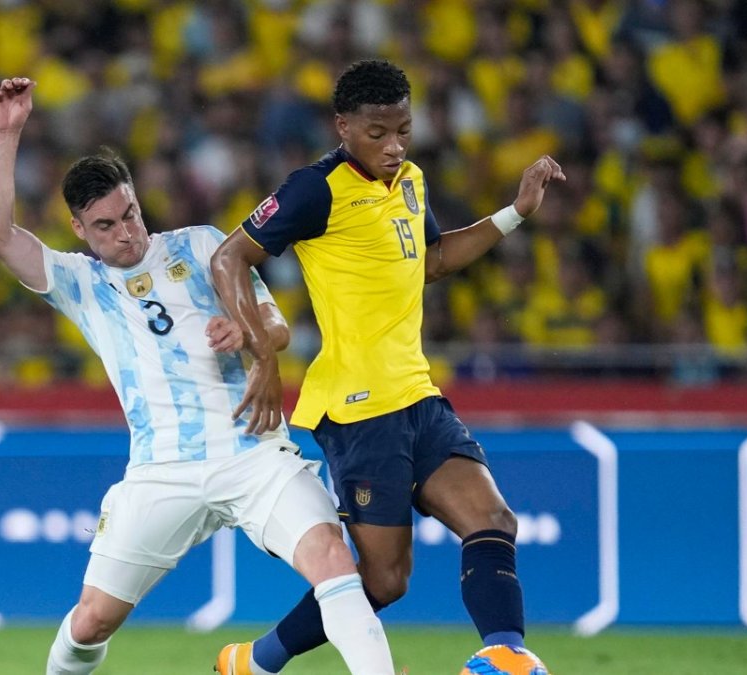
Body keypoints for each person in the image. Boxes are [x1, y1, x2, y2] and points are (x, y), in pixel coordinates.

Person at [0, 77, 396, 675]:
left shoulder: (202, 247)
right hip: (161, 469)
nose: (126, 232)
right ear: (79, 229)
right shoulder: (79, 282)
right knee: (92, 621)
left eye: (130, 214)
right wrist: (6, 132)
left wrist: (246, 331)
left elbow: (277, 326)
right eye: (105, 225)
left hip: (251, 453)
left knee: (332, 557)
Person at [211, 60, 564, 674]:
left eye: (403, 130)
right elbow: (228, 257)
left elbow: (434, 260)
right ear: (343, 126)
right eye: (378, 133)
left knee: (493, 519)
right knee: (384, 580)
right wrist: (262, 355)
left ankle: (504, 653)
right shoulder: (314, 189)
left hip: (417, 395)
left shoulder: (410, 180)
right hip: (358, 409)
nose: (394, 146)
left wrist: (515, 212)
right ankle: (254, 661)